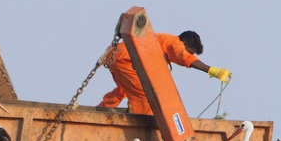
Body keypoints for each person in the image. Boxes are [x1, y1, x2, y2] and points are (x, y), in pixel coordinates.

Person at [98, 31, 231, 115]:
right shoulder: (175, 42)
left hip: (117, 56)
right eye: (190, 51)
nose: (189, 54)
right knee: (147, 95)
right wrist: (212, 70)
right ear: (184, 43)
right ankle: (142, 123)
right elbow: (185, 58)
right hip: (126, 59)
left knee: (125, 89)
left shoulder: (162, 42)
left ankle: (101, 110)